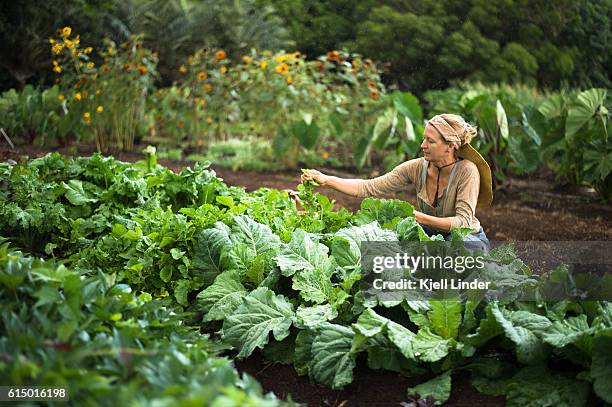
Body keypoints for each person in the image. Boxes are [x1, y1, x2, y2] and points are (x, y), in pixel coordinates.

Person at [301, 113, 493, 250]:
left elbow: (463, 223)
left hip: (468, 239)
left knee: (455, 251)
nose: (422, 145)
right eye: (424, 138)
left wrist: (417, 217)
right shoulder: (417, 167)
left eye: (431, 141)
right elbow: (368, 187)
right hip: (429, 235)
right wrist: (326, 180)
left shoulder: (467, 171)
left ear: (450, 146)